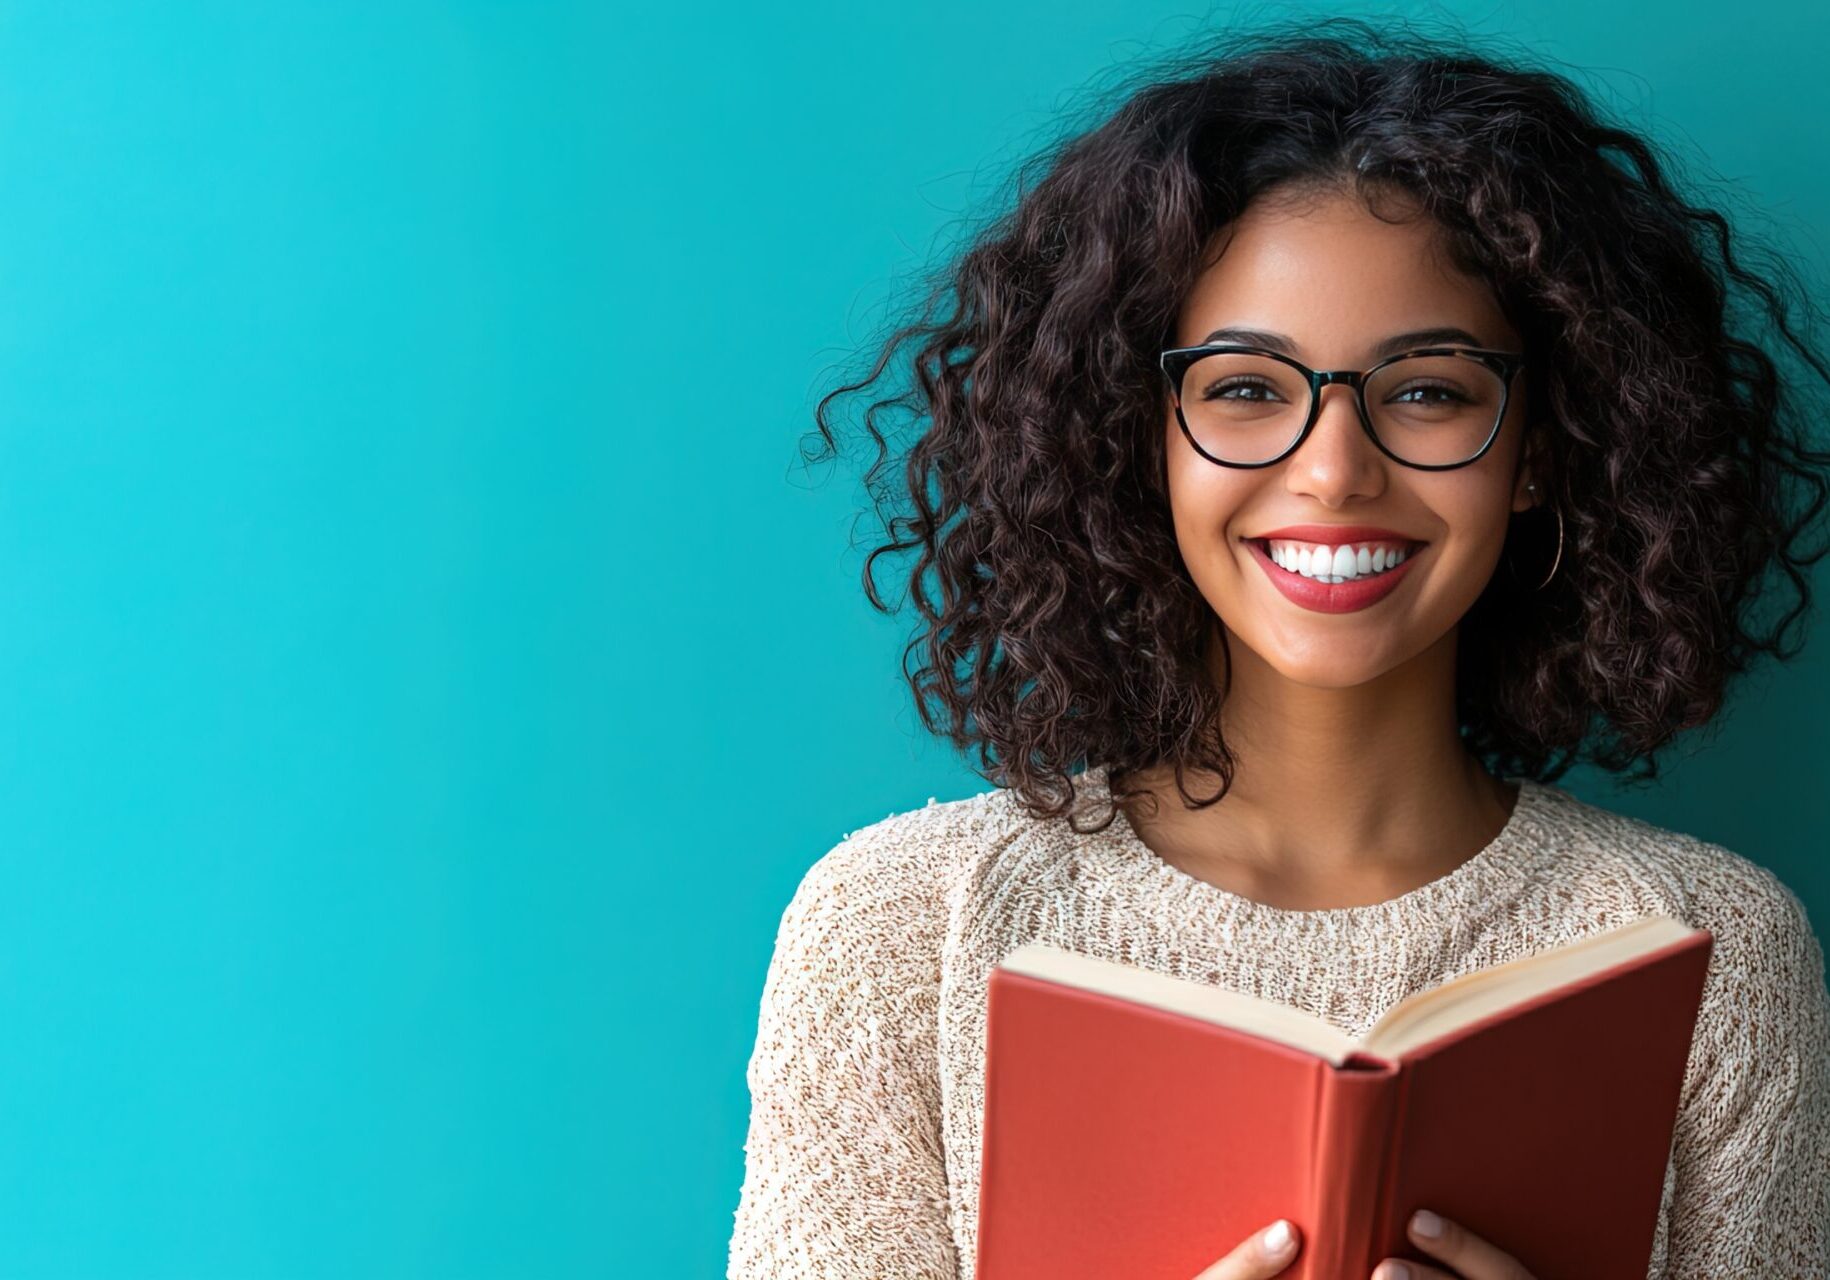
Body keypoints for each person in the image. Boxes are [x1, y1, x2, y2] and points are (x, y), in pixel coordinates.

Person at [727, 18, 1830, 1280]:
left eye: (1429, 389)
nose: (1333, 472)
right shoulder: (903, 927)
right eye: (1246, 388)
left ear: (1539, 449)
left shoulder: (1711, 946)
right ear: (1139, 438)